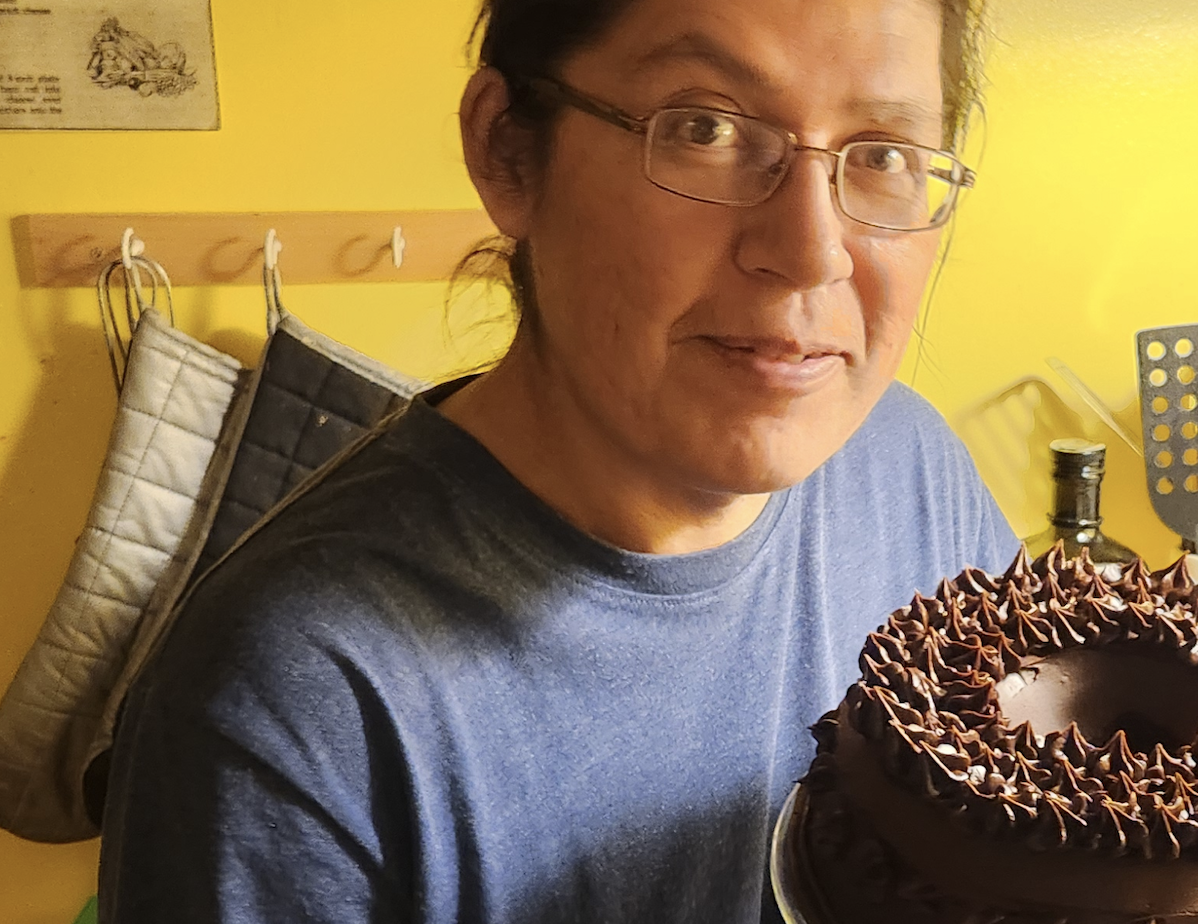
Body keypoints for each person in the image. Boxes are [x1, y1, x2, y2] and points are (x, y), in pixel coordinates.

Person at [98, 0, 1016, 920]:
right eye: (707, 128)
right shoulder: (296, 703)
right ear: (508, 151)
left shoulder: (913, 470)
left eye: (886, 154)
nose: (811, 253)